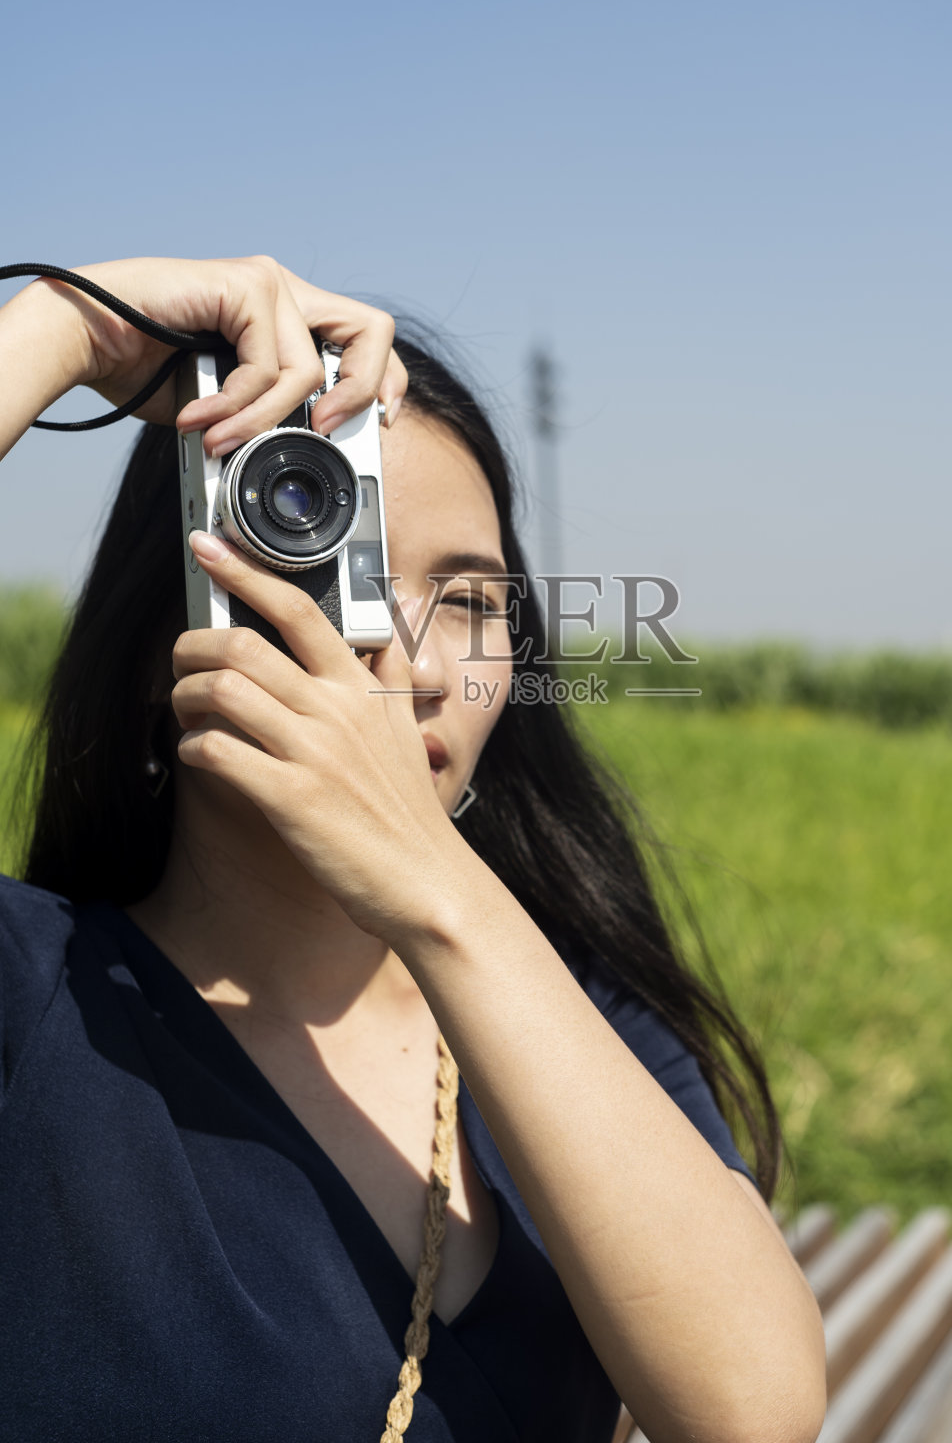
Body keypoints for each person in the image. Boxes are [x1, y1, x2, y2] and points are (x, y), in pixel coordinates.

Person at [0, 257, 826, 1443]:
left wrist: (433, 890)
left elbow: (752, 1411)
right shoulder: (38, 1006)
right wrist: (63, 328)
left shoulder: (572, 1027)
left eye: (473, 600)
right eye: (337, 572)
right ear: (166, 635)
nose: (419, 664)